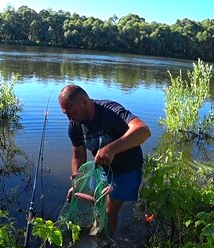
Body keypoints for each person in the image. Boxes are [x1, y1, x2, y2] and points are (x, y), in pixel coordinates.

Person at [58, 84, 151, 237]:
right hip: (102, 170)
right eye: (66, 114)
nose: (69, 118)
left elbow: (144, 131)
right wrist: (77, 184)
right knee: (92, 201)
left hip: (127, 169)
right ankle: (95, 236)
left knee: (108, 211)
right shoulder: (75, 125)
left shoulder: (110, 111)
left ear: (84, 102)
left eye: (72, 112)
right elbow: (78, 155)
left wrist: (111, 149)